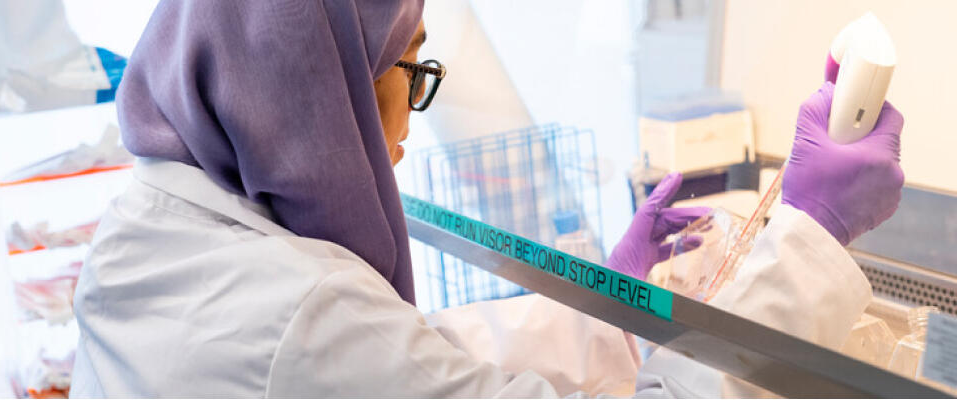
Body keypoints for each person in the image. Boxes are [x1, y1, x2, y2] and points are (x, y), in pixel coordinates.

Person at [70, 1, 904, 397]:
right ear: (318, 87)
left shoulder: (150, 224)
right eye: (410, 69)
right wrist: (809, 235)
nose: (404, 113)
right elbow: (352, 352)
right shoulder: (301, 312)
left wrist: (607, 306)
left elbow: (409, 360)